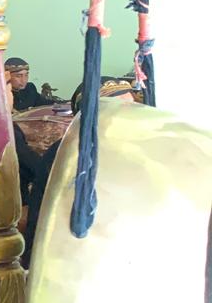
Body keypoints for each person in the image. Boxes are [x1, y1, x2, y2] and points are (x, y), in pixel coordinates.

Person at [21, 78, 137, 267]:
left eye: (133, 109)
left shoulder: (134, 152)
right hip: (78, 262)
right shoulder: (69, 156)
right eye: (122, 110)